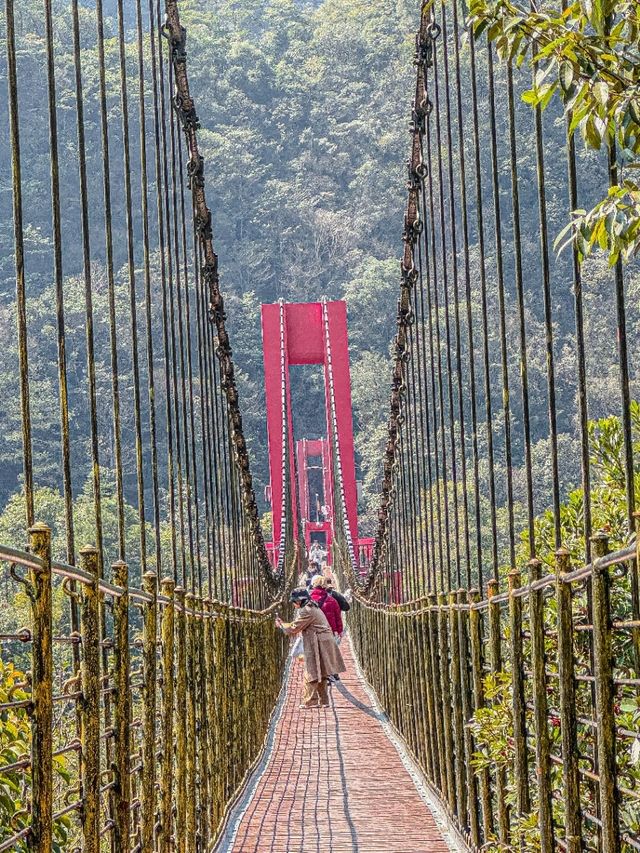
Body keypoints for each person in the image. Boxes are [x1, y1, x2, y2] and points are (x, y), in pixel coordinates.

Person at [276, 588, 346, 709]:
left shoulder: (306, 610)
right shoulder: (312, 606)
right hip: (324, 641)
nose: (293, 604)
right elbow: (298, 624)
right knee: (323, 672)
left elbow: (294, 628)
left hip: (318, 643)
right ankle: (324, 701)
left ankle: (310, 701)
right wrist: (285, 624)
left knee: (311, 671)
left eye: (294, 601)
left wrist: (281, 626)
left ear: (299, 601)